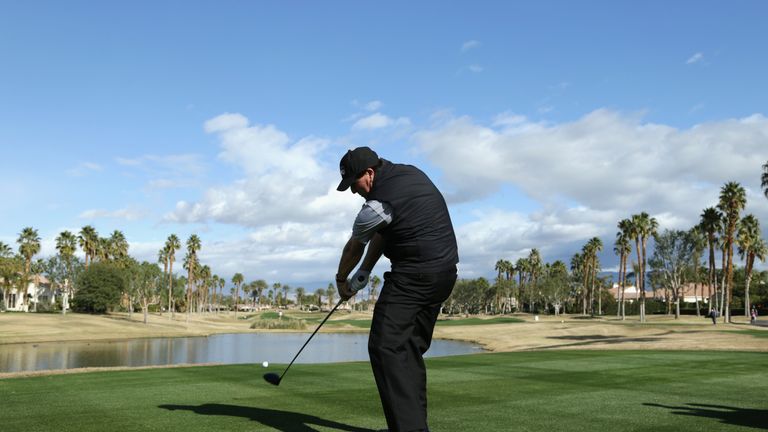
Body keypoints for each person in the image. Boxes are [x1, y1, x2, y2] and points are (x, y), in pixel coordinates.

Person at [334, 146, 459, 432]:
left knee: (384, 347)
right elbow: (385, 231)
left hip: (414, 277)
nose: (354, 191)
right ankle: (414, 427)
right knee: (409, 349)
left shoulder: (375, 206)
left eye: (354, 183)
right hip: (444, 274)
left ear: (369, 173)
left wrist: (342, 280)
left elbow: (355, 246)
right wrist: (364, 271)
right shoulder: (410, 174)